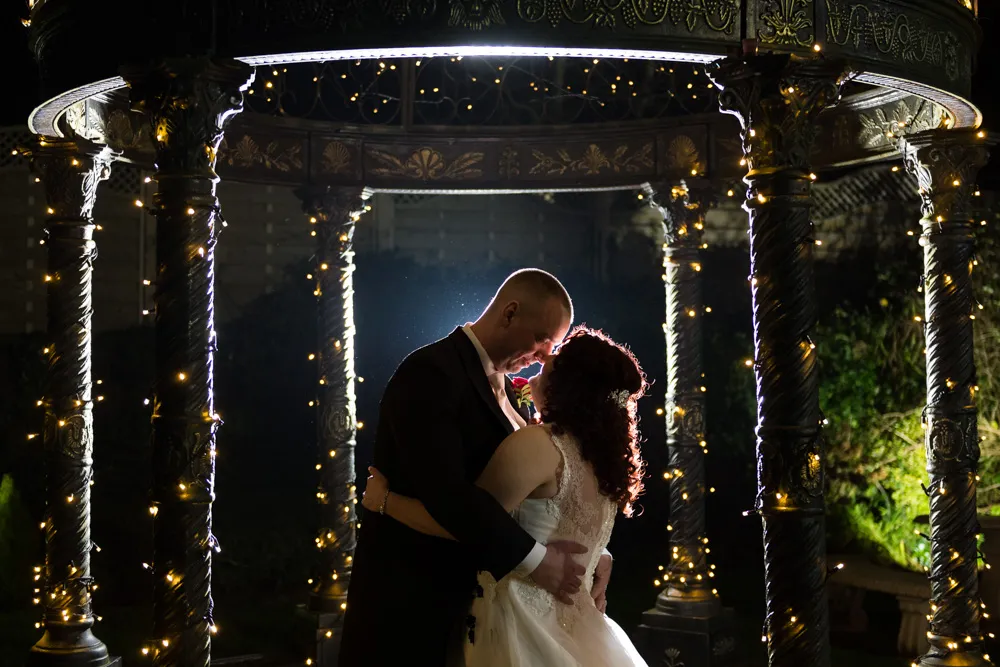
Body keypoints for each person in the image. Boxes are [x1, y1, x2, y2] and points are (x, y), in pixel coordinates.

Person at [339, 269, 607, 666]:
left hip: (480, 601)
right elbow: (451, 497)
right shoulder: (431, 373)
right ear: (509, 313)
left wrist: (595, 549)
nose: (542, 358)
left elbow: (541, 492)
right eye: (540, 340)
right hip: (413, 597)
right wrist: (537, 560)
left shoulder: (511, 390)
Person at [362, 326, 649, 666]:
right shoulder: (603, 459)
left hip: (519, 621)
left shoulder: (540, 445)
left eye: (548, 368)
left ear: (567, 388)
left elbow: (466, 523)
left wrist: (384, 501)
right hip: (576, 629)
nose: (537, 371)